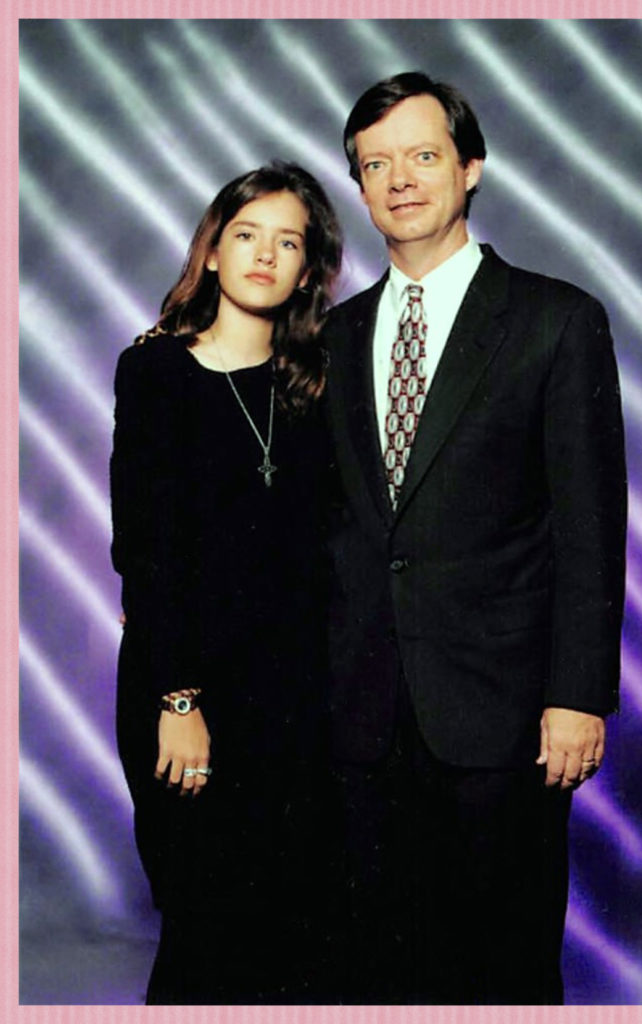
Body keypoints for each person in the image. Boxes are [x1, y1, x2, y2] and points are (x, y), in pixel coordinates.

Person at [323, 72, 627, 1004]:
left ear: (471, 168)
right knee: (377, 969)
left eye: (421, 156)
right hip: (359, 716)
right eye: (376, 165)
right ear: (361, 188)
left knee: (503, 967)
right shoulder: (331, 337)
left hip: (503, 718)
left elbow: (590, 524)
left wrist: (576, 696)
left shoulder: (554, 320)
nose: (399, 181)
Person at [110, 163, 342, 1005]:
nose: (264, 255)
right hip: (190, 694)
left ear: (310, 269)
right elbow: (147, 547)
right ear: (212, 251)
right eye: (247, 234)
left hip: (297, 701)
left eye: (289, 242)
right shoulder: (156, 372)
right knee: (206, 928)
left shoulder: (319, 377)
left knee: (294, 931)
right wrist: (179, 702)